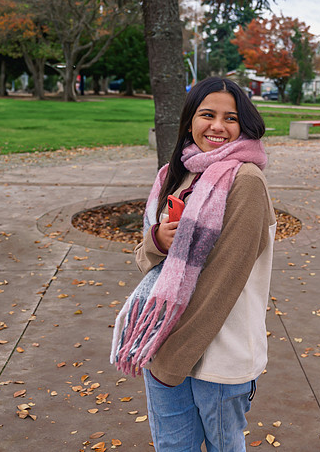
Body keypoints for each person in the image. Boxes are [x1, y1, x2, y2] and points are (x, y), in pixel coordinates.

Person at [111, 76, 275, 451]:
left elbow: (224, 282)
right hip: (162, 342)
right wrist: (157, 241)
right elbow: (146, 259)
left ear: (244, 125)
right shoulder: (176, 173)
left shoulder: (246, 182)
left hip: (215, 357)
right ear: (189, 122)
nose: (218, 126)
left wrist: (171, 359)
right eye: (207, 115)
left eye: (230, 118)